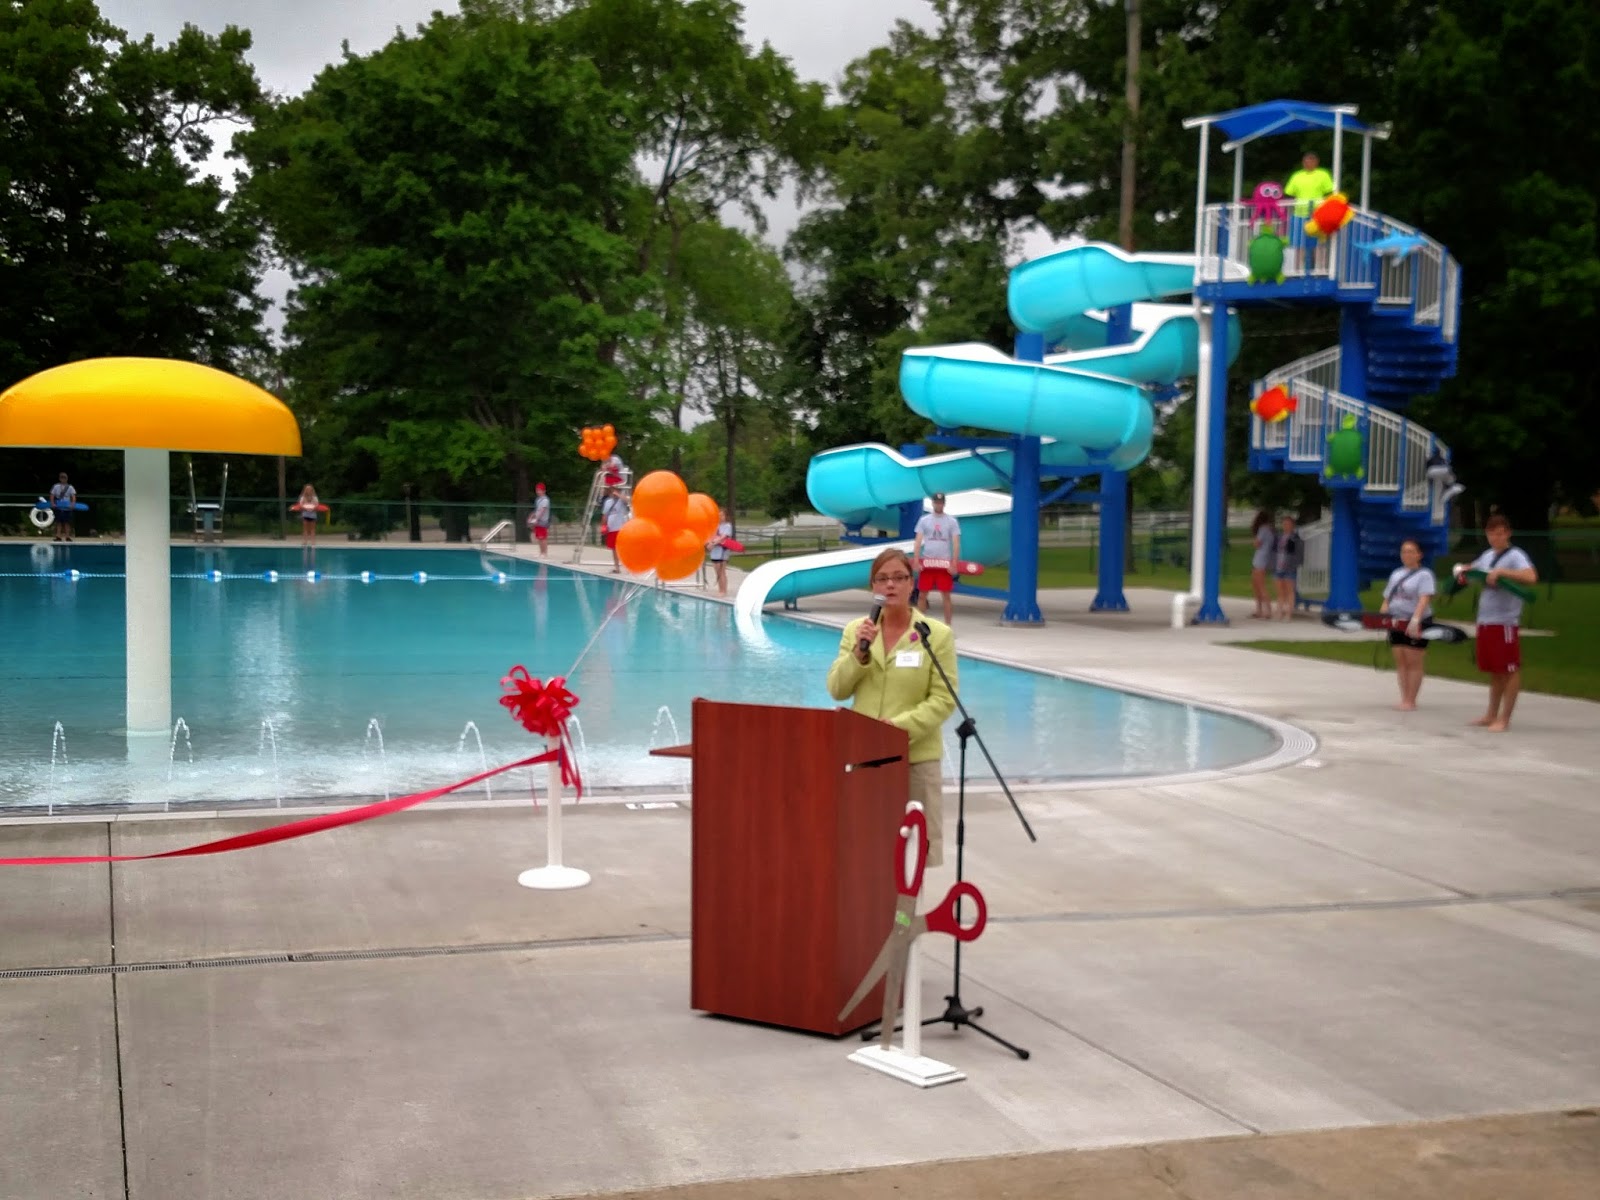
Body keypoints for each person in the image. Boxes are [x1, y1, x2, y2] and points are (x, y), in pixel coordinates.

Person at [826, 548, 957, 867]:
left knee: (913, 859)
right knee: (866, 850)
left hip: (916, 761)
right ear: (873, 587)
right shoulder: (857, 631)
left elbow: (944, 699)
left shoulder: (935, 635)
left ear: (911, 584)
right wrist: (859, 652)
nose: (890, 586)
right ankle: (870, 918)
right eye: (882, 579)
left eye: (899, 578)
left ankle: (904, 920)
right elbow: (837, 689)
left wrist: (896, 730)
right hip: (866, 758)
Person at [1457, 515, 1538, 732]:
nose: (1496, 537)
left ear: (1508, 534)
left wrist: (1503, 572)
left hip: (1505, 622)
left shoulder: (1515, 555)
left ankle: (1505, 718)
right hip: (1486, 620)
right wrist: (1464, 570)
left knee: (1509, 669)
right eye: (1492, 533)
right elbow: (1474, 569)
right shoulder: (1488, 555)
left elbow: (1531, 577)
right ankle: (1491, 714)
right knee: (1495, 670)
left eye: (1500, 533)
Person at [1379, 539, 1437, 711]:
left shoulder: (1424, 575)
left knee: (1413, 659)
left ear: (1419, 554)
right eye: (1404, 551)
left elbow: (1424, 598)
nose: (1407, 555)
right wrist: (1383, 615)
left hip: (1415, 620)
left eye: (1411, 551)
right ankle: (1404, 696)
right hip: (1396, 620)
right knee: (1401, 658)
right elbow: (1388, 597)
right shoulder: (1396, 574)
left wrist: (1416, 619)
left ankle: (1411, 699)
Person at [912, 492, 962, 624]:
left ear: (944, 504)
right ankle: (920, 624)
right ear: (933, 503)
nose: (938, 505)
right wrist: (916, 560)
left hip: (944, 563)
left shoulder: (951, 521)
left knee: (946, 595)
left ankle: (948, 625)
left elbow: (956, 543)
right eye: (936, 502)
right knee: (922, 594)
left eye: (940, 502)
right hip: (928, 562)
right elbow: (918, 541)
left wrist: (954, 563)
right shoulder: (924, 520)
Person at [1283, 151, 1336, 271]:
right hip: (1299, 214)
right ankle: (1297, 271)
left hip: (1318, 215)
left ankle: (1320, 270)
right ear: (1303, 162)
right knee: (1298, 244)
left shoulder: (1323, 174)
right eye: (1306, 160)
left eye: (1312, 160)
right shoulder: (1297, 176)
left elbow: (1329, 192)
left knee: (1319, 244)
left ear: (1317, 162)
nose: (1309, 163)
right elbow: (1289, 193)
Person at [1272, 514, 1303, 620]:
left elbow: (1299, 556)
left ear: (1292, 525)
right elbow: (1275, 552)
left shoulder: (1295, 539)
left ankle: (1288, 614)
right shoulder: (1279, 537)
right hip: (1278, 567)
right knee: (1280, 592)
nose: (1286, 526)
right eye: (1284, 524)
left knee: (1289, 591)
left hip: (1289, 569)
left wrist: (1292, 565)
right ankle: (1279, 612)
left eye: (1288, 524)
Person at [1249, 509, 1275, 618]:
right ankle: (1259, 610)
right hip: (1263, 559)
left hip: (1260, 559)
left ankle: (1267, 610)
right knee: (1256, 585)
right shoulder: (1269, 530)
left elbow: (1257, 543)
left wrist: (1254, 542)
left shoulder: (1262, 529)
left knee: (1260, 585)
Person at [706, 507, 733, 596]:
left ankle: (723, 590)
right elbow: (710, 536)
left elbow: (723, 537)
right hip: (714, 551)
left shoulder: (727, 526)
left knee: (721, 571)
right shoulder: (715, 526)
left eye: (722, 515)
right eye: (719, 516)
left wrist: (713, 543)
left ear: (725, 516)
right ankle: (720, 589)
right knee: (717, 571)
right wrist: (709, 543)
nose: (720, 517)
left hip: (722, 551)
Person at [601, 487, 628, 572]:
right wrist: (603, 526)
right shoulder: (608, 502)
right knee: (614, 549)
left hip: (620, 528)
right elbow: (605, 515)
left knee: (623, 548)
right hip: (611, 528)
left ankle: (628, 565)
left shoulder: (621, 501)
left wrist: (619, 495)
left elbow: (627, 501)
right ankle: (617, 567)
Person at [48, 472, 76, 542]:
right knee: (58, 522)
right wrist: (52, 503)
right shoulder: (56, 486)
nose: (63, 479)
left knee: (67, 522)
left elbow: (73, 496)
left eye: (65, 478)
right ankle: (58, 536)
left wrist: (72, 504)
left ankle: (67, 536)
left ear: (67, 479)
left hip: (67, 507)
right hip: (58, 506)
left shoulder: (70, 487)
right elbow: (52, 495)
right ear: (60, 479)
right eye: (62, 478)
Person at [527, 482, 552, 557]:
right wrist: (531, 517)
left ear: (544, 491)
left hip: (543, 520)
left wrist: (536, 519)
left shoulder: (545, 500)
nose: (538, 492)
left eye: (539, 490)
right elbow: (536, 510)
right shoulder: (538, 500)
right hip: (537, 520)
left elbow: (542, 510)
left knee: (543, 537)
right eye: (537, 490)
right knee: (539, 537)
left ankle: (544, 553)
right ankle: (541, 552)